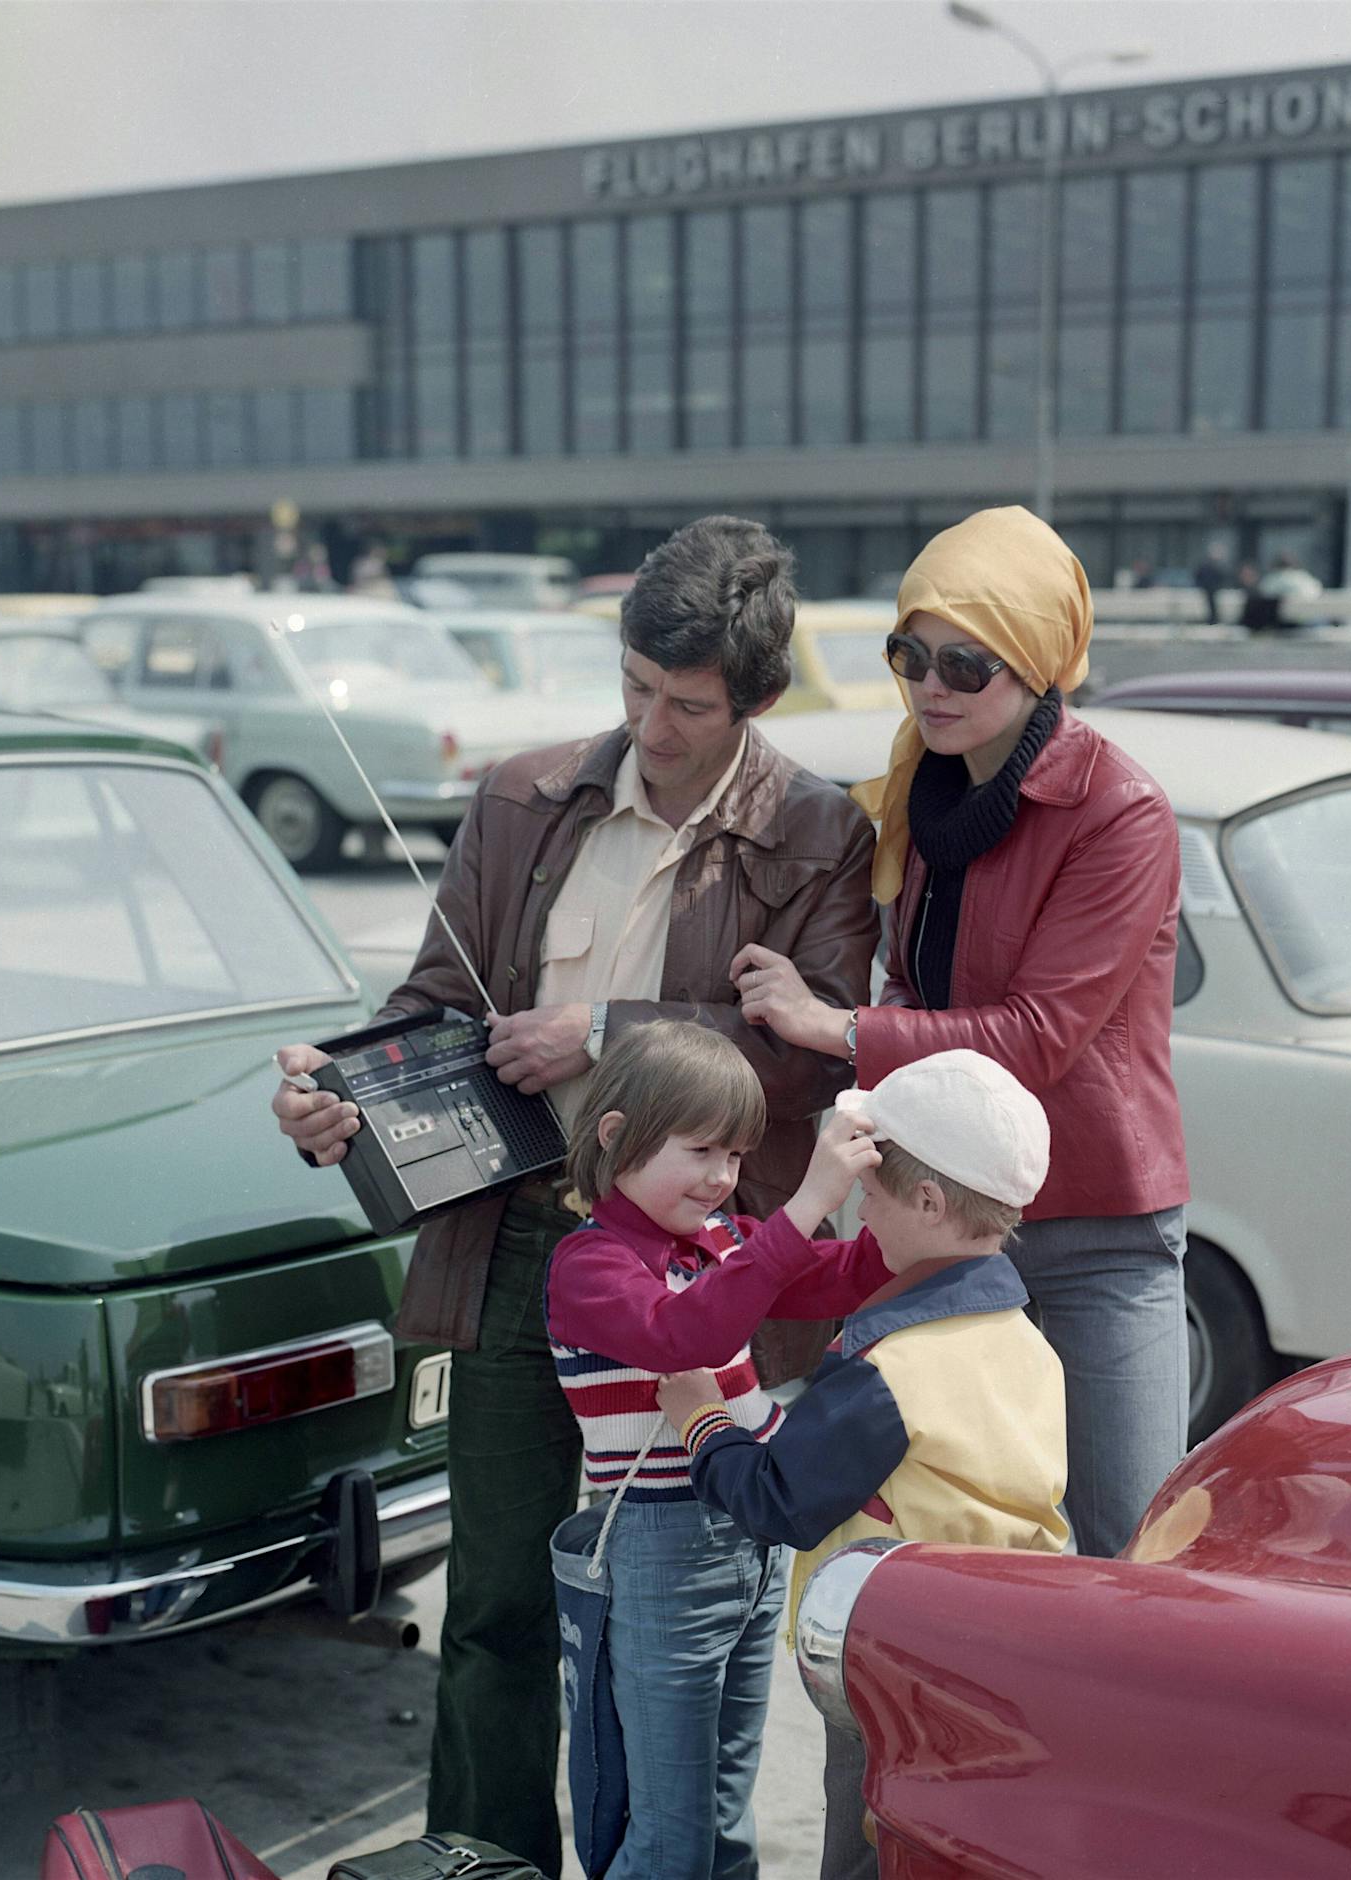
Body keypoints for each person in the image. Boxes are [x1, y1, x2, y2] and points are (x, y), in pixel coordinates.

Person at [269, 515, 878, 1877]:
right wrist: (339, 1097)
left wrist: (604, 1030)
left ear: (757, 701)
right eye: (634, 688)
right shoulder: (522, 795)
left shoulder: (821, 832)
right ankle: (478, 1863)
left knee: (662, 1618)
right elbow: (436, 1002)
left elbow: (806, 1048)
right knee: (491, 1603)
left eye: (689, 704)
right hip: (519, 1248)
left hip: (694, 1285)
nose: (653, 725)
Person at [727, 504, 1190, 1561]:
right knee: (933, 1529)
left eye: (966, 663)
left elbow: (1035, 1036)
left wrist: (828, 1023)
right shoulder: (926, 789)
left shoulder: (1118, 809)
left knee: (1125, 1544)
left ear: (1032, 666)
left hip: (1089, 1226)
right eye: (910, 653)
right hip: (936, 1216)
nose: (929, 684)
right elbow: (922, 983)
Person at [656, 1046, 1068, 1880]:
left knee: (867, 1844)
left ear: (925, 1199)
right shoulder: (1027, 1341)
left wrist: (701, 1417)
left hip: (891, 1662)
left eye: (870, 1196)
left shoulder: (891, 1370)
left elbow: (777, 1498)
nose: (861, 1216)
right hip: (1002, 1647)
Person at [546, 1022, 892, 1880]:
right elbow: (682, 1335)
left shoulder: (728, 1242)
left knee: (725, 1822)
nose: (720, 1177)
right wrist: (807, 1200)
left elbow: (840, 1276)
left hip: (754, 1540)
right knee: (671, 1836)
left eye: (735, 1155)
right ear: (615, 1136)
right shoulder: (588, 1264)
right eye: (699, 1149)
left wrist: (929, 1207)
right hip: (661, 1554)